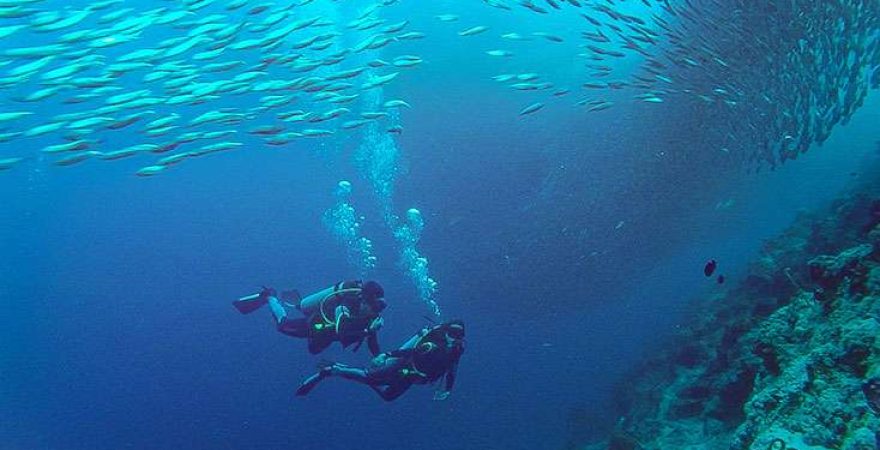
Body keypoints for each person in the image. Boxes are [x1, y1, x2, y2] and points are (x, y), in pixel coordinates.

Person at [295, 320, 465, 402]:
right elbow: (410, 351)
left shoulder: (456, 351)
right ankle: (335, 369)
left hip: (413, 376)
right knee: (370, 377)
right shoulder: (433, 343)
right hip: (403, 364)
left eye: (458, 336)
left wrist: (448, 390)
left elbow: (452, 371)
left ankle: (341, 369)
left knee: (387, 396)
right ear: (446, 332)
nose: (454, 338)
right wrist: (387, 355)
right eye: (452, 333)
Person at [233, 280, 387, 355]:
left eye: (377, 307)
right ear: (363, 299)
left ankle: (297, 304)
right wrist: (368, 330)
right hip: (316, 324)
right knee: (283, 326)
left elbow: (373, 342)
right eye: (372, 305)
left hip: (327, 334)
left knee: (313, 350)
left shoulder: (372, 316)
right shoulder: (348, 304)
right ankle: (269, 296)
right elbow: (342, 331)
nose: (374, 311)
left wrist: (378, 357)